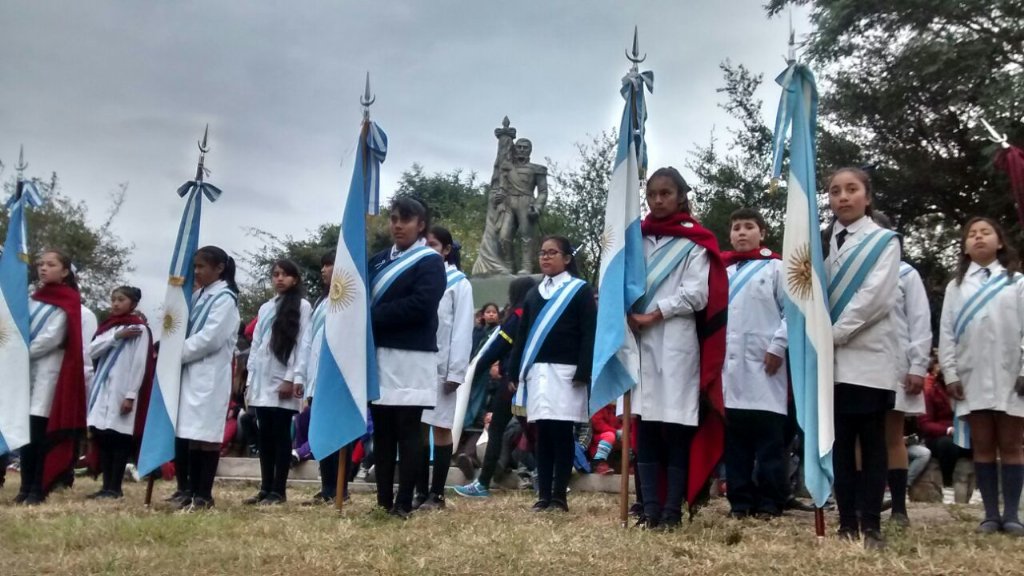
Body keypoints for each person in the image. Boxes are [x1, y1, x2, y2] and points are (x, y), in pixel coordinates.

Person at [628, 167, 728, 529]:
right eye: (652, 194)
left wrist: (656, 313)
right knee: (646, 427)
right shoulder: (635, 239)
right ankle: (649, 509)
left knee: (676, 427)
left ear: (681, 196)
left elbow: (698, 294)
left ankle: (672, 511)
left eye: (666, 193)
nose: (658, 200)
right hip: (640, 343)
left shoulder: (695, 241)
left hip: (677, 341)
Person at [824, 167, 900, 549]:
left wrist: (832, 335)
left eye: (852, 189)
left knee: (871, 443)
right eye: (835, 191)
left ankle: (870, 523)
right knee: (839, 444)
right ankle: (846, 521)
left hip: (868, 358)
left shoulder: (884, 241)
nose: (843, 197)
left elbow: (875, 299)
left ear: (867, 197)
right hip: (831, 364)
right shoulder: (822, 242)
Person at [938, 216, 1024, 536]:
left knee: (1012, 444)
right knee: (983, 445)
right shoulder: (956, 287)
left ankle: (1012, 514)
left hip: (1012, 375)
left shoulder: (1017, 282)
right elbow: (946, 333)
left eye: (986, 232)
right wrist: (950, 374)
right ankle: (989, 515)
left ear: (999, 242)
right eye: (972, 234)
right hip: (971, 376)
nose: (978, 237)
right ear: (965, 247)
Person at [368, 196, 446, 518]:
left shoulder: (430, 261)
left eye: (406, 220)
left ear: (420, 225)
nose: (398, 225)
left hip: (412, 357)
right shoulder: (376, 261)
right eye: (394, 219)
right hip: (379, 356)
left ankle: (404, 502)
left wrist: (372, 317)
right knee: (383, 432)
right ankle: (383, 501)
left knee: (408, 431)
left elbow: (422, 305)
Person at [507, 235, 597, 513]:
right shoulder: (534, 294)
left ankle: (559, 496)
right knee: (542, 434)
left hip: (567, 374)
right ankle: (543, 494)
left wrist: (584, 370)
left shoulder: (579, 290)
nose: (545, 257)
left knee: (562, 433)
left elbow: (588, 333)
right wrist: (514, 371)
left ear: (567, 258)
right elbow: (522, 336)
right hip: (537, 373)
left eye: (552, 252)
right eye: (542, 253)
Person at [720, 208, 789, 519]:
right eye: (736, 227)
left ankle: (771, 501)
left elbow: (793, 311)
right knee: (736, 445)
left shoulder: (777, 268)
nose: (742, 233)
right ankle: (740, 502)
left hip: (767, 367)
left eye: (749, 227)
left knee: (769, 444)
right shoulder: (723, 271)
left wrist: (778, 345)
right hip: (731, 370)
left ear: (762, 233)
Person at [871, 212, 932, 527]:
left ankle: (898, 508)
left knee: (892, 436)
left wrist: (918, 365)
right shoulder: (850, 274)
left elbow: (920, 322)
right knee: (858, 438)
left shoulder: (906, 273)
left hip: (895, 364)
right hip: (859, 366)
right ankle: (862, 503)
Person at [454, 277, 538, 498]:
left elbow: (497, 348)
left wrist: (473, 371)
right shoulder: (537, 316)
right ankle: (550, 478)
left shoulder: (517, 317)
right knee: (532, 431)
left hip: (512, 383)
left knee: (498, 429)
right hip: (533, 381)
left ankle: (483, 483)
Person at [16, 250, 86, 505]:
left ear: (65, 271)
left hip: (50, 375)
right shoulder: (33, 299)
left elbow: (52, 338)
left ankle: (38, 487)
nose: (43, 268)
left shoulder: (68, 300)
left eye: (50, 264)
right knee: (26, 434)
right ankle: (24, 486)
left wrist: (19, 353)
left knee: (40, 433)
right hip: (26, 373)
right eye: (40, 264)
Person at [174, 246, 241, 510]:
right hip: (191, 372)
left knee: (206, 435)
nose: (197, 272)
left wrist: (176, 353)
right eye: (196, 266)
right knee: (191, 433)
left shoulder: (225, 298)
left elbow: (211, 338)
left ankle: (204, 494)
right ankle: (190, 489)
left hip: (209, 375)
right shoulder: (199, 295)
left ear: (219, 268)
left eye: (201, 266)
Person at [243, 259, 312, 505]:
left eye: (285, 274)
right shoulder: (266, 307)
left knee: (281, 435)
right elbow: (256, 344)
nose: (279, 278)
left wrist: (291, 378)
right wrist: (250, 379)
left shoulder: (302, 306)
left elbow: (302, 344)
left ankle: (278, 490)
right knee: (265, 435)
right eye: (275, 274)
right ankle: (265, 486)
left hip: (283, 378)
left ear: (295, 279)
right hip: (262, 379)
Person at [416, 226, 474, 510]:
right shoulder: (416, 278)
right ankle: (418, 490)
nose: (427, 250)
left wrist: (455, 372)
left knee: (440, 428)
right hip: (415, 366)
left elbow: (462, 331)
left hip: (442, 368)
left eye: (433, 245)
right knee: (416, 430)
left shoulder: (458, 283)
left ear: (447, 250)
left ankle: (436, 493)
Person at [86, 286, 153, 499]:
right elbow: (92, 350)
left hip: (123, 391)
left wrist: (131, 394)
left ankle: (115, 487)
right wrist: (116, 337)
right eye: (113, 299)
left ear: (132, 304)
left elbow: (139, 364)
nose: (115, 304)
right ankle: (105, 486)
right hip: (103, 389)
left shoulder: (139, 329)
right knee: (104, 436)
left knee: (119, 438)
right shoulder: (109, 328)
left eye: (121, 300)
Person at [918, 360, 971, 488]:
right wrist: (948, 430)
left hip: (965, 433)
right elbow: (925, 423)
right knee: (947, 445)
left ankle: (980, 485)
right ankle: (947, 483)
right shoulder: (931, 393)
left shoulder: (969, 392)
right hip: (940, 436)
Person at [588, 404, 621, 475]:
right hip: (597, 438)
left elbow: (619, 424)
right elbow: (597, 424)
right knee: (609, 436)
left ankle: (628, 467)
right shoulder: (598, 407)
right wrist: (615, 431)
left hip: (613, 440)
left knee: (626, 438)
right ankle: (598, 462)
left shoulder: (614, 409)